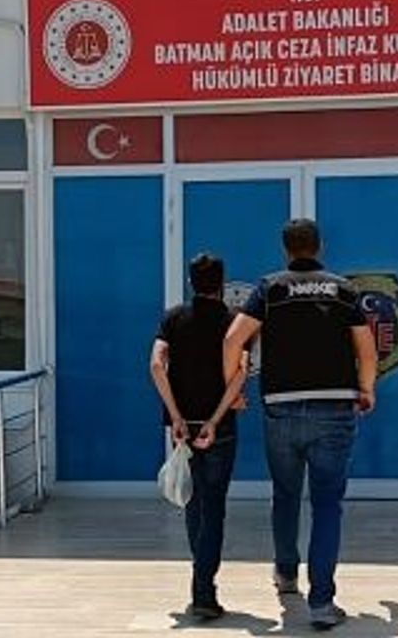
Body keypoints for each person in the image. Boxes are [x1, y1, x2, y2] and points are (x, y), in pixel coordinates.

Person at [213, 218, 378, 631]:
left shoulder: (270, 289)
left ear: (286, 249)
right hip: (335, 409)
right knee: (327, 504)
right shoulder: (343, 290)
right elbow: (367, 349)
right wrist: (366, 388)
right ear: (319, 247)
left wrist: (233, 391)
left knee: (285, 493)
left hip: (281, 408)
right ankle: (321, 602)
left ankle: (286, 573)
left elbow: (232, 340)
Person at [150, 253, 248, 620]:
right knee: (214, 507)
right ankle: (203, 589)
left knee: (193, 502)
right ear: (221, 283)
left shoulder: (174, 319)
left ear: (191, 282)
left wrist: (175, 415)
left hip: (183, 429)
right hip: (218, 428)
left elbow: (156, 365)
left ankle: (202, 582)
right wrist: (216, 418)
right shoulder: (233, 322)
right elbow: (241, 373)